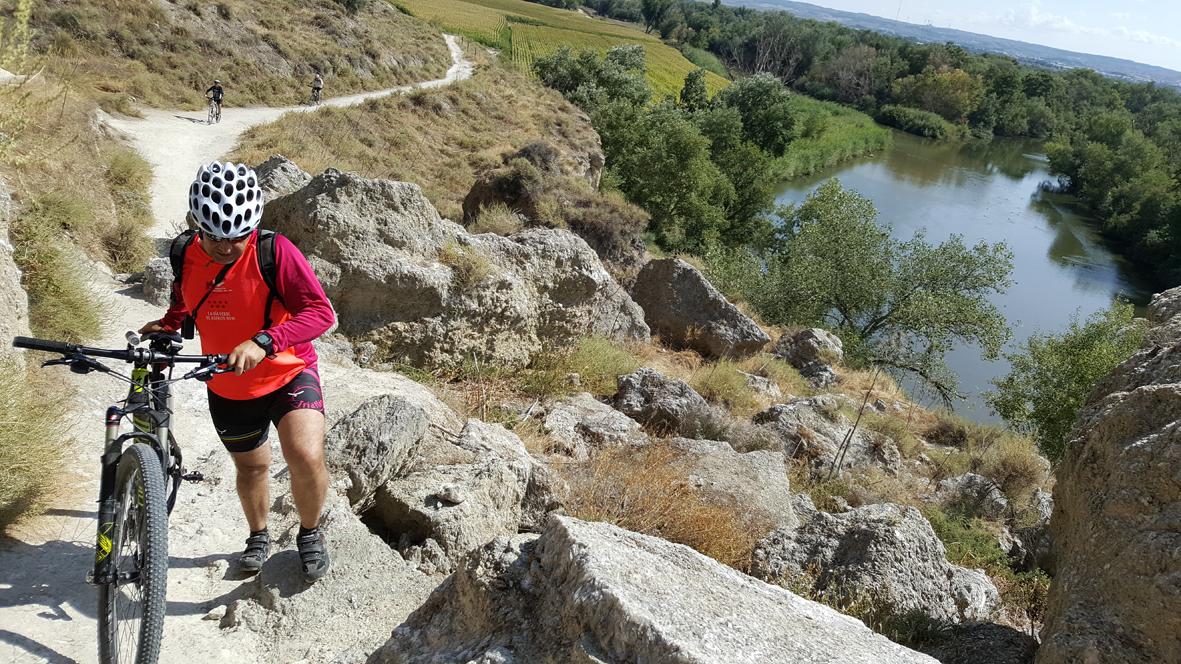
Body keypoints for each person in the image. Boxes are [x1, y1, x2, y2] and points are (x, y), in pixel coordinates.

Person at [139, 161, 336, 582]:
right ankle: (258, 535)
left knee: (305, 454)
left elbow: (320, 312)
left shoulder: (274, 251)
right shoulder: (182, 253)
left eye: (237, 237)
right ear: (198, 225)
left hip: (289, 371)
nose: (227, 247)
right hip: (228, 383)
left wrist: (265, 341)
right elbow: (186, 300)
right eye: (216, 238)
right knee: (251, 468)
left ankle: (310, 532)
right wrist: (170, 323)